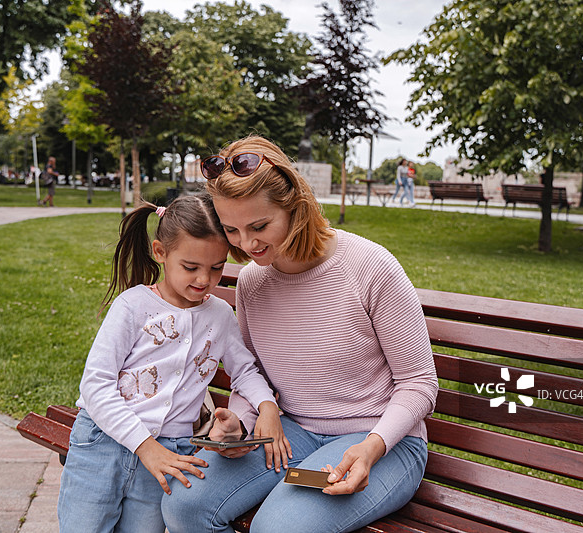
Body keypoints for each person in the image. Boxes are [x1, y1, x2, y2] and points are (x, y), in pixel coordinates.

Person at [162, 136, 437, 533]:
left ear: (295, 204)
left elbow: (420, 383)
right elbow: (252, 373)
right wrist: (239, 424)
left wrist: (371, 447)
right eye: (232, 230)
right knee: (183, 506)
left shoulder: (370, 266)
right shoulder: (252, 282)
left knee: (278, 528)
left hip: (382, 441)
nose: (247, 244)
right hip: (292, 433)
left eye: (259, 226)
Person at [57, 195, 285, 533]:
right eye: (191, 267)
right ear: (160, 252)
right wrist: (145, 447)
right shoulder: (133, 306)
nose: (204, 279)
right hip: (103, 443)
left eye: (216, 267)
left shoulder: (220, 315)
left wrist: (267, 406)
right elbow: (95, 386)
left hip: (170, 453)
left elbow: (244, 371)